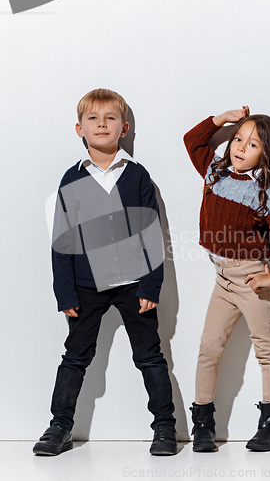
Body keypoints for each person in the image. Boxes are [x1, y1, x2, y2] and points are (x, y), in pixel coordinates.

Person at [33, 89, 177, 456]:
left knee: (150, 357)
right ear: (79, 128)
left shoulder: (137, 176)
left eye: (109, 118)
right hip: (85, 287)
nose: (101, 124)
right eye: (93, 119)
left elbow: (152, 235)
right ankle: (59, 427)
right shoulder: (71, 178)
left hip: (134, 286)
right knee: (75, 358)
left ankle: (165, 428)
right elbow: (61, 242)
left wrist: (151, 285)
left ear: (123, 127)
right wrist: (65, 294)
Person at [183, 106, 270, 452]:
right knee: (209, 348)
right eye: (238, 139)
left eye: (252, 145)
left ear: (267, 154)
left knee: (266, 350)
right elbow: (192, 142)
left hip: (249, 278)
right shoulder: (215, 172)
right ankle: (202, 423)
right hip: (222, 279)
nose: (239, 147)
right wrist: (222, 119)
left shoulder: (264, 191)